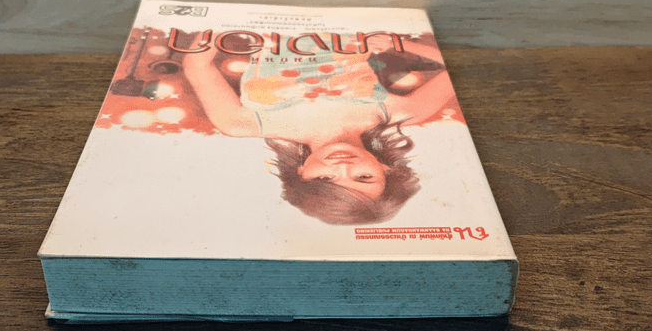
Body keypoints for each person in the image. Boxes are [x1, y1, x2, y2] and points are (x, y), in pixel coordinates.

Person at [182, 31, 457, 225]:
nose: (343, 166)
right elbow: (454, 68)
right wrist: (396, 44)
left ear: (300, 174)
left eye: (325, 178)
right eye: (363, 177)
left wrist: (222, 23)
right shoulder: (399, 113)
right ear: (385, 169)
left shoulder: (239, 124)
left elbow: (197, 64)